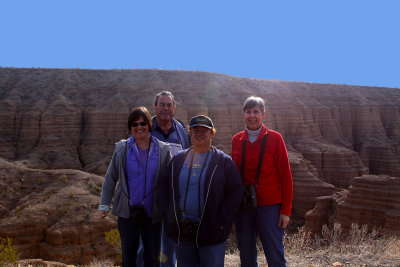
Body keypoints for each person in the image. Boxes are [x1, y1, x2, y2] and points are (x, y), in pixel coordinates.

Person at [158, 115, 243, 267]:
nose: (200, 134)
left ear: (212, 134)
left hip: (211, 230)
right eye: (195, 130)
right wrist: (167, 214)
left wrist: (222, 221)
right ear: (190, 133)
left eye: (204, 130)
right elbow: (163, 186)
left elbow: (236, 191)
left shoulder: (223, 162)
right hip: (182, 229)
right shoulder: (178, 160)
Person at [98, 106, 171, 267]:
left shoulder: (163, 150)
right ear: (130, 128)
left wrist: (171, 209)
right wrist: (104, 205)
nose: (139, 127)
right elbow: (111, 178)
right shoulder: (122, 149)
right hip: (127, 213)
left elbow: (170, 182)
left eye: (143, 123)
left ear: (149, 125)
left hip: (153, 214)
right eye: (135, 124)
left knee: (152, 258)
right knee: (129, 258)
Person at [231, 96, 293, 267]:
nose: (252, 116)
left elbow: (286, 177)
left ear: (263, 114)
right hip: (244, 206)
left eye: (256, 112)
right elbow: (234, 176)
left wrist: (285, 210)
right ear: (243, 114)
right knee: (247, 255)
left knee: (275, 255)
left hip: (270, 207)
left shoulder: (275, 139)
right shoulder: (236, 140)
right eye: (248, 112)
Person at [151, 91, 191, 266]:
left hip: (174, 199)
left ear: (174, 108)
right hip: (149, 197)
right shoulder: (145, 127)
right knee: (145, 246)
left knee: (170, 247)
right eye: (162, 104)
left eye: (169, 105)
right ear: (155, 107)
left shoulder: (181, 130)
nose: (166, 108)